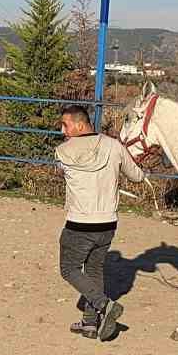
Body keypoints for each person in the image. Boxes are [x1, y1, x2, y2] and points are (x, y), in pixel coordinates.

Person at [54, 104, 147, 341]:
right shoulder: (114, 146)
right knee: (94, 270)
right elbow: (137, 176)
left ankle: (104, 305)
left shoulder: (62, 151)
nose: (62, 130)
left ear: (79, 124)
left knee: (69, 269)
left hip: (79, 224)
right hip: (107, 224)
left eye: (65, 124)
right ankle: (90, 323)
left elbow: (62, 173)